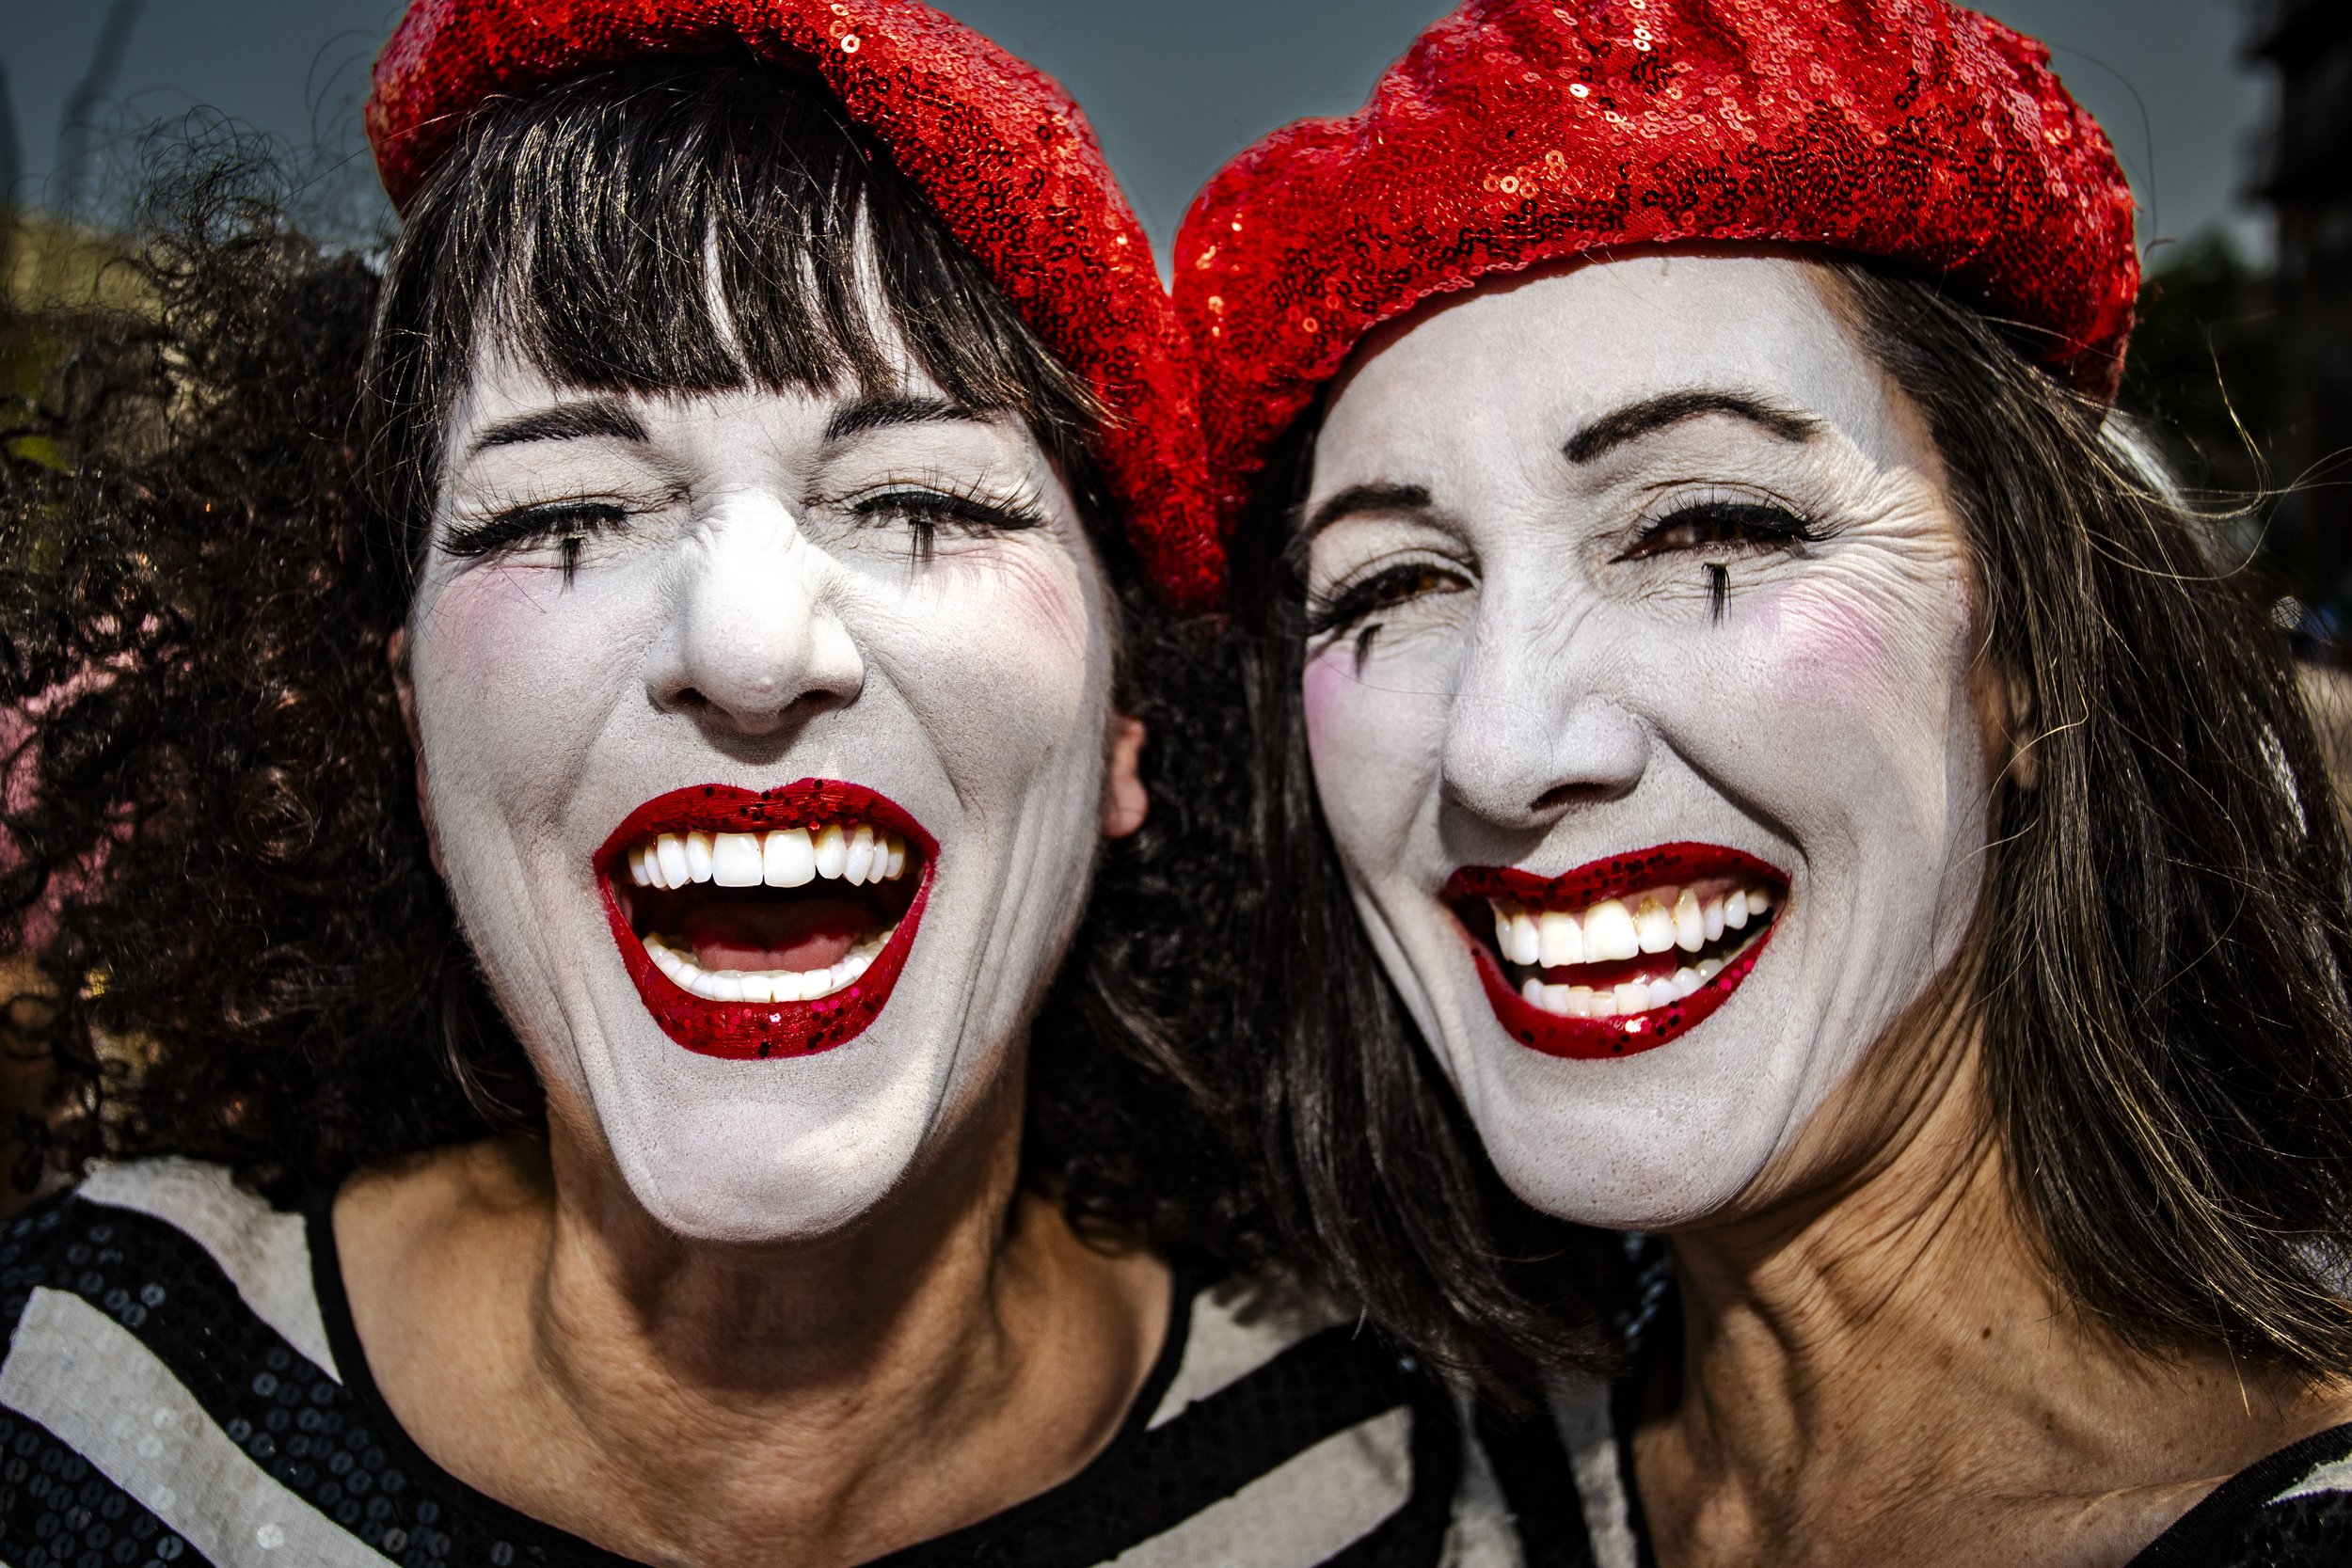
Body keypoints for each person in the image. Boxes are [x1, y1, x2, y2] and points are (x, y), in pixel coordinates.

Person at [0, 2, 1526, 1563]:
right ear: (407, 725)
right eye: (565, 517)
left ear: (1132, 722)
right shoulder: (70, 1384)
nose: (744, 647)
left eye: (923, 500)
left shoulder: (1378, 1492)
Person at [1180, 1, 2352, 1562]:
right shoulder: (1356, 1488)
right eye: (1390, 588)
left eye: (1703, 531)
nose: (1505, 748)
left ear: (2025, 651)